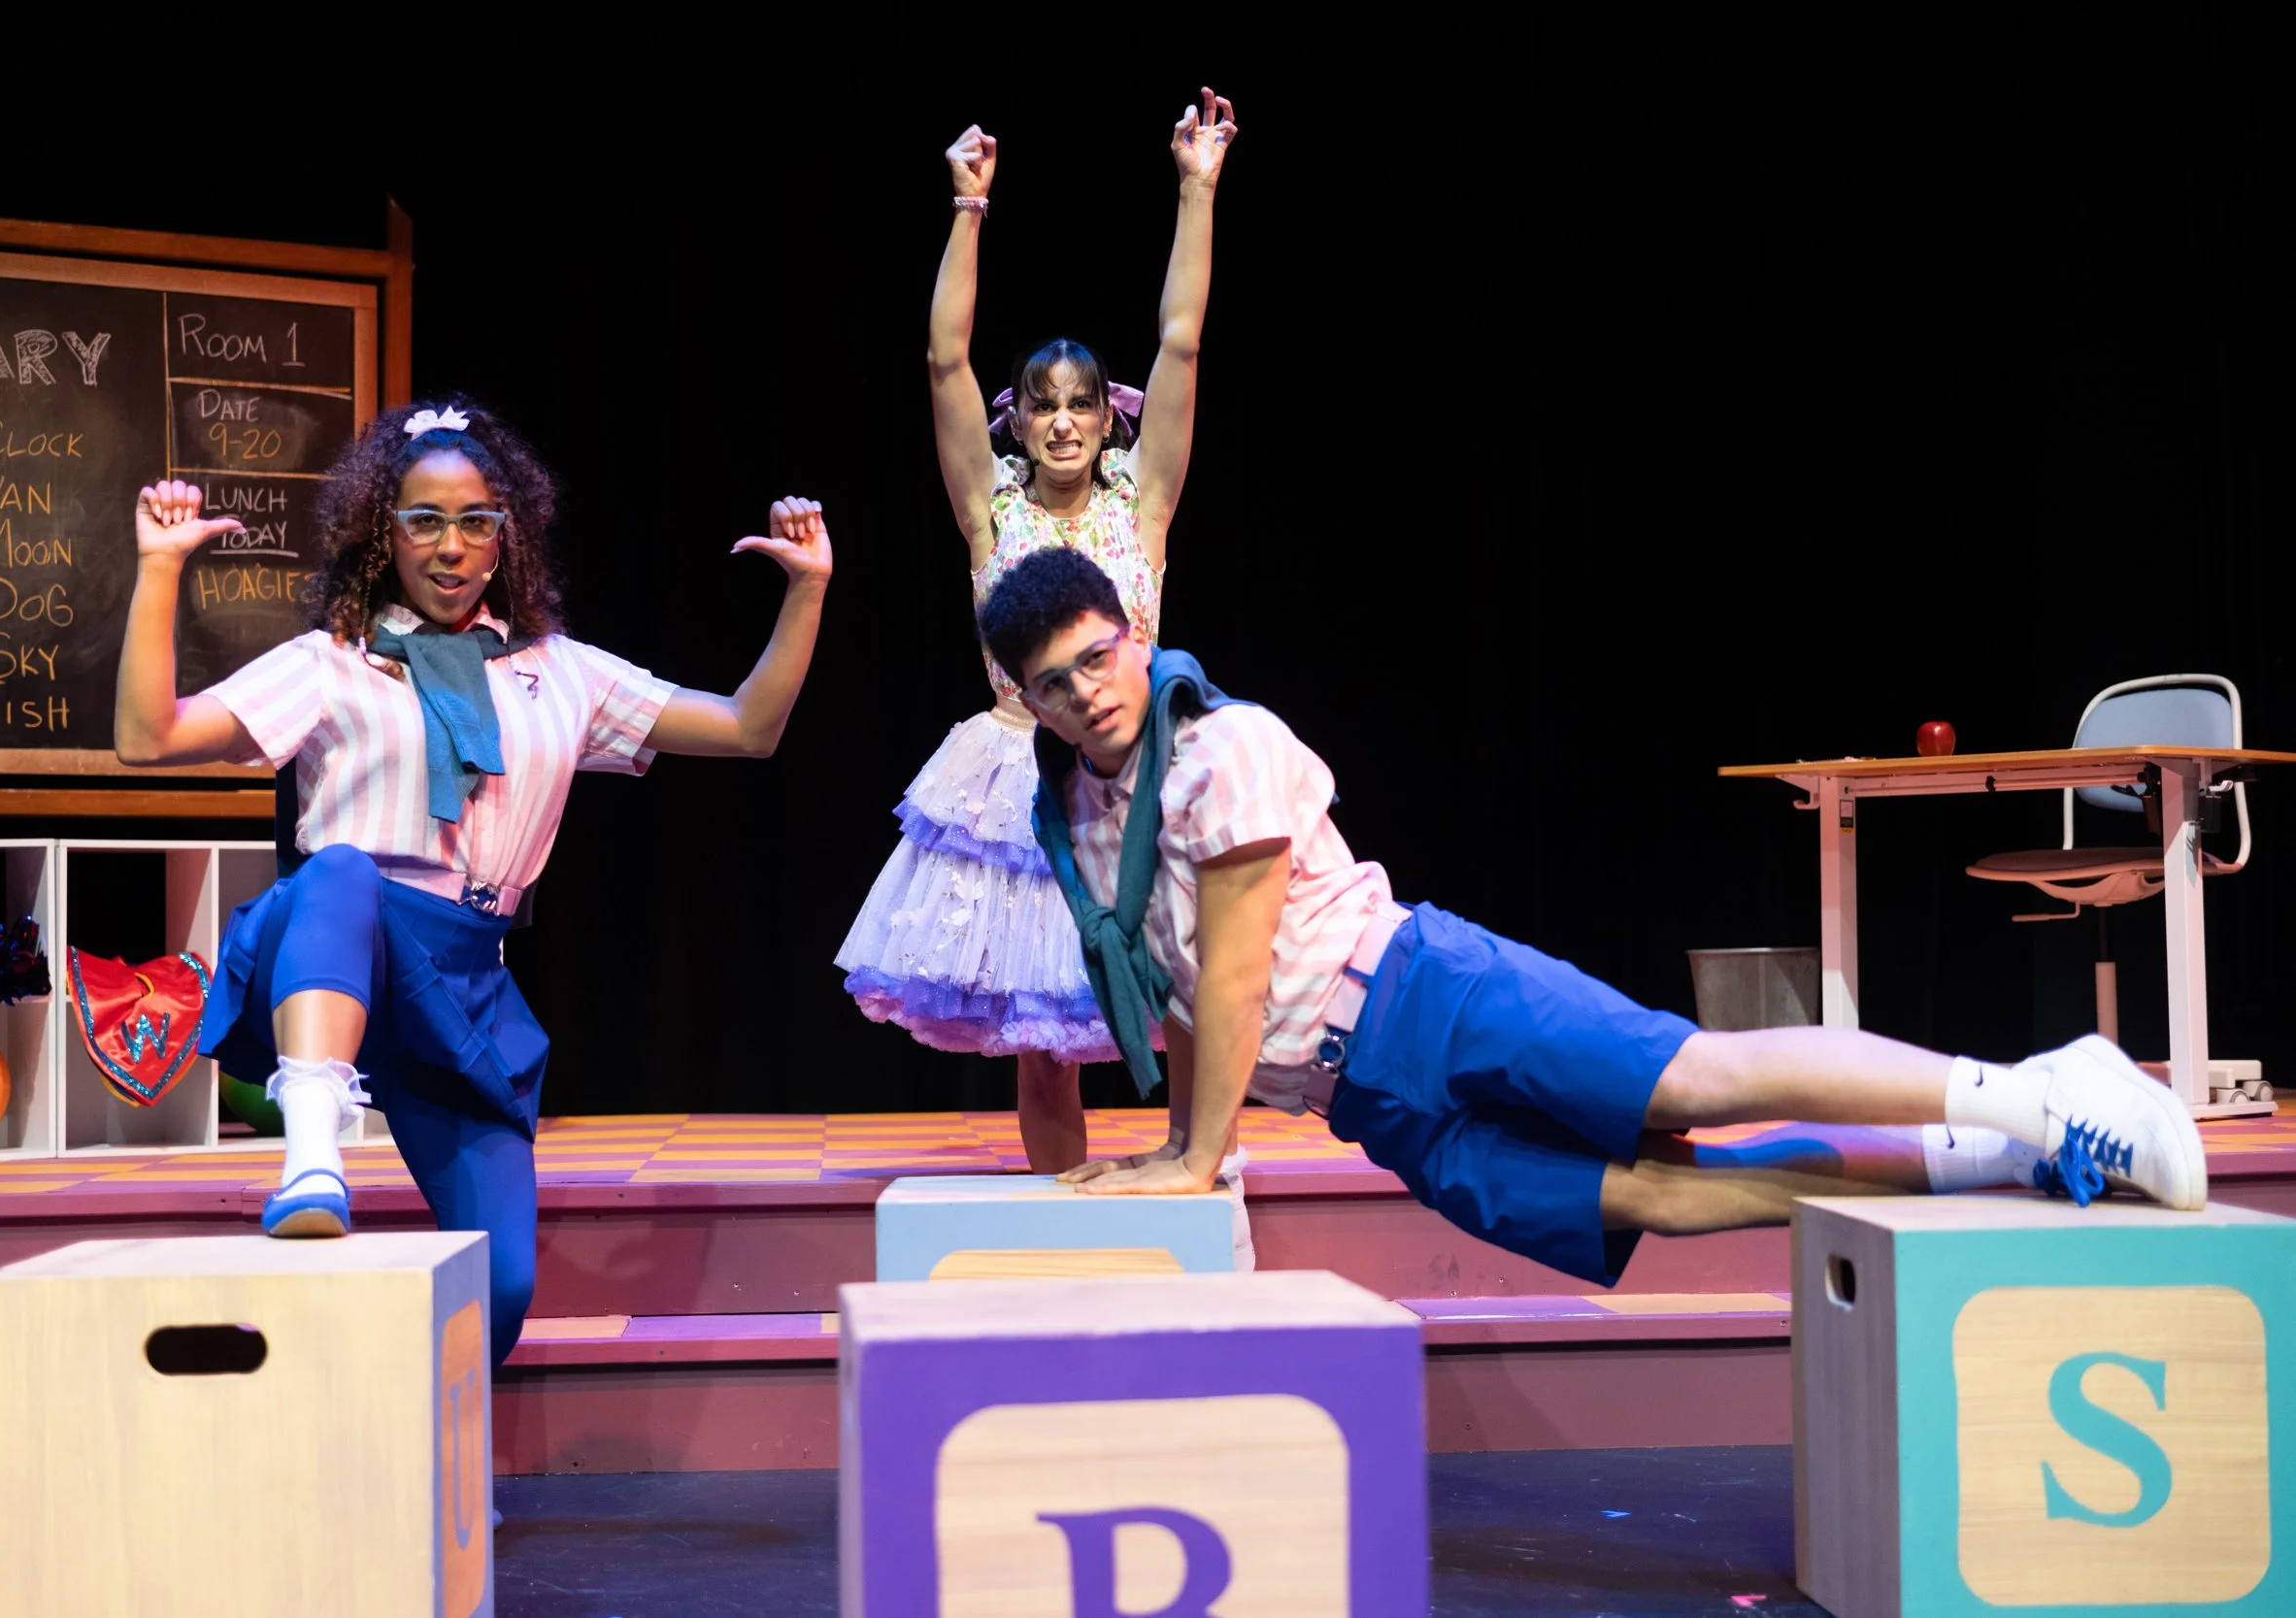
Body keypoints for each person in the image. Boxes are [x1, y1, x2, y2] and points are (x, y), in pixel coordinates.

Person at [979, 547, 2205, 1286]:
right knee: (1663, 1194)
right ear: (1023, 698)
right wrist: (1180, 1149)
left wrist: (1196, 1157)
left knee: (1696, 1079)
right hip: (1367, 1101)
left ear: (1135, 634)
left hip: (1419, 992)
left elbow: (1236, 976)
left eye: (1096, 656)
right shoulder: (1077, 819)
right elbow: (1181, 988)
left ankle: (2039, 1092)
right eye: (1053, 682)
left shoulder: (1222, 748)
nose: (1085, 692)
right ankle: (1996, 1160)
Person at [114, 402, 832, 1363]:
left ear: (505, 535)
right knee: (340, 874)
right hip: (340, 945)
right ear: (385, 531)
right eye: (424, 520)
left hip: (463, 980)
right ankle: (313, 1151)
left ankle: (416, 1433)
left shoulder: (559, 671)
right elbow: (147, 737)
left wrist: (807, 590)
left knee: (501, 1284)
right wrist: (160, 570)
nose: (450, 546)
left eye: (474, 521)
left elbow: (747, 726)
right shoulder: (330, 662)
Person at [835, 88, 1240, 1181]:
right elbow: (943, 361)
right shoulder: (992, 510)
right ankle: (1064, 1197)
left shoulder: (1142, 506)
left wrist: (1196, 190)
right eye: (1041, 403)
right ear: (1018, 420)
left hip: (1137, 762)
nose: (1062, 419)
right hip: (1020, 765)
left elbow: (1182, 342)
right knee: (1044, 1030)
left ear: (1108, 419)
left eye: (1080, 404)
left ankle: (1189, 1161)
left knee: (1187, 984)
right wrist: (967, 208)